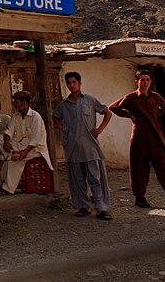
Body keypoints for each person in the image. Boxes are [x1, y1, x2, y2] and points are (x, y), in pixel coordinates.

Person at [109, 69, 165, 213]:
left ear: (151, 81)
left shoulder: (155, 97)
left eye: (147, 80)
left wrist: (156, 116)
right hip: (139, 137)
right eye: (142, 80)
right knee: (139, 168)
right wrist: (129, 115)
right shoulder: (131, 98)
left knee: (164, 169)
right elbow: (114, 107)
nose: (145, 82)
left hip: (156, 137)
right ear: (136, 81)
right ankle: (140, 197)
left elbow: (164, 107)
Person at [53, 72, 113, 220]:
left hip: (90, 148)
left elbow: (107, 112)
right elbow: (55, 115)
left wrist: (99, 130)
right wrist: (64, 128)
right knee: (77, 181)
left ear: (79, 83)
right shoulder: (64, 104)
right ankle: (82, 206)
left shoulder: (90, 100)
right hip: (73, 148)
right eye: (69, 83)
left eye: (74, 82)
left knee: (95, 179)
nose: (71, 85)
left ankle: (101, 208)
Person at [0, 90, 53, 195]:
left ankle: (8, 189)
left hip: (35, 149)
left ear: (24, 103)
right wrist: (7, 141)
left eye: (16, 102)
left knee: (14, 161)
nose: (14, 104)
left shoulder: (36, 117)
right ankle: (11, 155)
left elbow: (35, 140)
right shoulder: (16, 116)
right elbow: (9, 131)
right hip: (20, 146)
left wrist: (23, 153)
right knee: (0, 138)